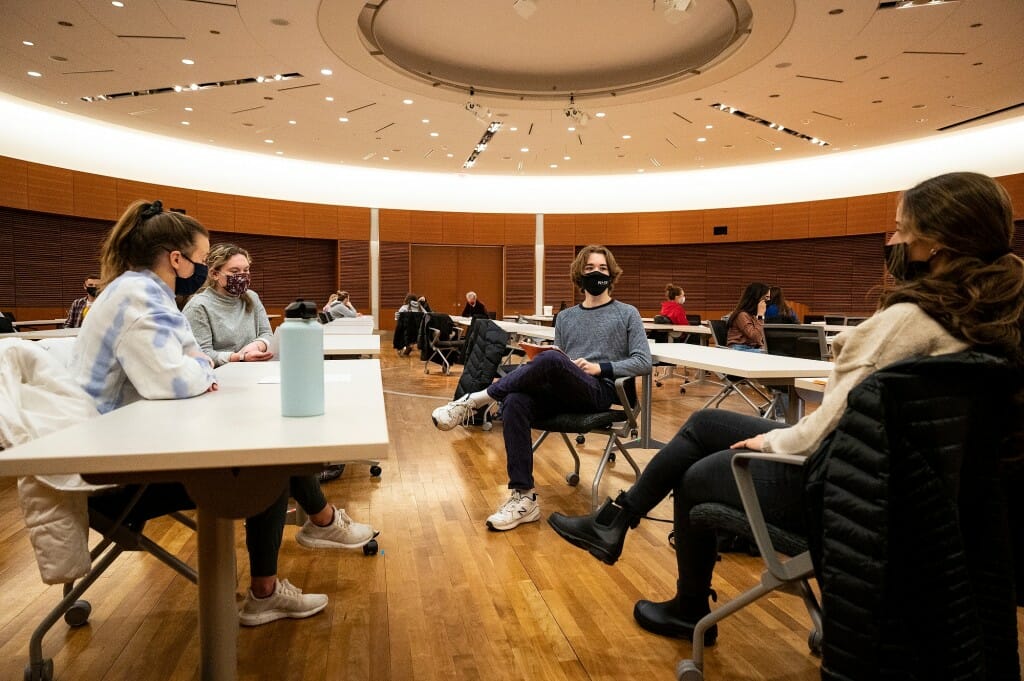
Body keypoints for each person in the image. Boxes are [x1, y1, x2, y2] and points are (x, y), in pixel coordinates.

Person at [547, 171, 1024, 645]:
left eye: (900, 228)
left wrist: (771, 440)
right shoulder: (999, 318)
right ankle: (615, 521)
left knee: (697, 475)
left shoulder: (906, 323)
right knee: (705, 421)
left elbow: (833, 424)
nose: (892, 239)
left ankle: (687, 605)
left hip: (846, 491)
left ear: (935, 243)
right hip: (924, 499)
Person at [68, 200, 328, 627]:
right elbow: (173, 378)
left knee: (268, 449)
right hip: (110, 468)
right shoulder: (139, 298)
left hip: (125, 438)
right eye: (202, 261)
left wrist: (201, 366)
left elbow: (192, 360)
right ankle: (274, 582)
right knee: (268, 463)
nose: (202, 269)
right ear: (176, 258)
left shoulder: (140, 291)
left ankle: (320, 523)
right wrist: (202, 367)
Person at [431, 245, 652, 531]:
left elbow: (643, 361)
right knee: (516, 400)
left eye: (602, 269)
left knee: (550, 359)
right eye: (589, 269)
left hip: (600, 391)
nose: (596, 273)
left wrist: (601, 367)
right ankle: (524, 497)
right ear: (579, 275)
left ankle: (475, 400)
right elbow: (559, 360)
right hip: (566, 389)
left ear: (611, 275)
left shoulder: (627, 313)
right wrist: (556, 360)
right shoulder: (567, 318)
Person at [183, 242, 377, 549]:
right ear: (215, 273)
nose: (242, 277)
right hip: (222, 394)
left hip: (258, 381)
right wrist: (236, 357)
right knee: (279, 453)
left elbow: (264, 332)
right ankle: (322, 520)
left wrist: (258, 347)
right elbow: (202, 354)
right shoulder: (198, 307)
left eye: (246, 271)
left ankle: (320, 519)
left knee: (286, 442)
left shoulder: (251, 298)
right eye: (235, 271)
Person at [725, 282, 770, 352]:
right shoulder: (742, 315)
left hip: (751, 348)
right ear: (757, 297)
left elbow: (760, 339)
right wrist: (760, 316)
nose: (769, 300)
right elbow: (756, 337)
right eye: (766, 297)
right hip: (739, 349)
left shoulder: (753, 315)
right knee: (770, 355)